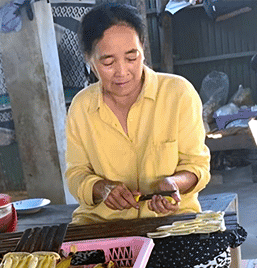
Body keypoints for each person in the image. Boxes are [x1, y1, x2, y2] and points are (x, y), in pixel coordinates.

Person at [65, 2, 211, 225]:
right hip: (102, 225)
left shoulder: (178, 93)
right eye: (108, 61)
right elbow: (76, 174)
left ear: (142, 48)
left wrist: (174, 183)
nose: (122, 72)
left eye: (132, 58)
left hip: (171, 222)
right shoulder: (81, 107)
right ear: (89, 59)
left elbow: (197, 165)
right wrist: (101, 189)